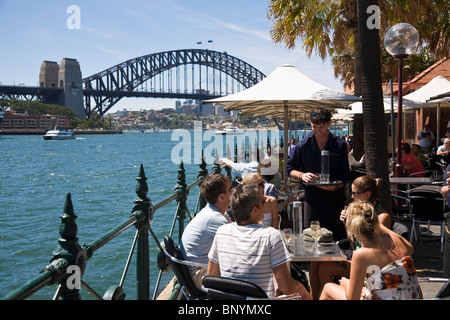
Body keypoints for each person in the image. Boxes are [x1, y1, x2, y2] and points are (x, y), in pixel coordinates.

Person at [207, 184, 311, 299]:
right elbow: (287, 287)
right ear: (255, 210)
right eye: (262, 201)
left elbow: (212, 275)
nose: (266, 202)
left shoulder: (222, 231)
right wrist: (301, 288)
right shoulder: (271, 236)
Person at [309, 175, 392, 299]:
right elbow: (353, 240)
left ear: (367, 194)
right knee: (316, 260)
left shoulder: (381, 217)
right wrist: (347, 223)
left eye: (355, 193)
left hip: (370, 266)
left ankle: (332, 295)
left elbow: (370, 246)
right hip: (357, 255)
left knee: (325, 268)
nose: (352, 197)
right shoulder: (360, 211)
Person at [319, 201, 422, 300]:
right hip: (410, 296)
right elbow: (410, 248)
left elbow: (353, 298)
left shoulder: (361, 254)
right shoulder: (394, 239)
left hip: (388, 296)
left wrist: (346, 283)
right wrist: (378, 224)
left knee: (328, 288)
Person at [287, 107, 350, 241]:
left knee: (336, 240)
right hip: (312, 202)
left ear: (329, 123)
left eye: (321, 127)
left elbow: (345, 173)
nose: (318, 130)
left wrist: (337, 185)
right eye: (314, 126)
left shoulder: (339, 145)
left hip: (335, 200)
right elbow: (290, 168)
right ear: (310, 123)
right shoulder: (303, 145)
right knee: (311, 240)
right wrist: (301, 175)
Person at [179, 174, 233, 289]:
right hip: (200, 275)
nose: (233, 192)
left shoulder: (215, 212)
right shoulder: (215, 219)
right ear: (222, 197)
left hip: (202, 268)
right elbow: (239, 245)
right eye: (230, 189)